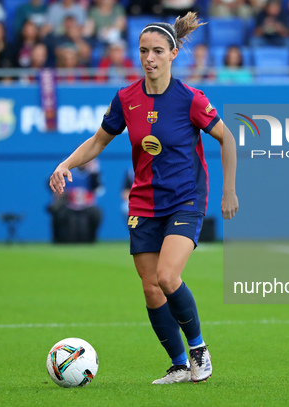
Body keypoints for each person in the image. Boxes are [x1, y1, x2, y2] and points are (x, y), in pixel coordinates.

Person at [49, 12, 238, 384]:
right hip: (144, 202)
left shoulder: (190, 99)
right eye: (143, 51)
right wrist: (66, 163)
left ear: (173, 53)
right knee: (151, 287)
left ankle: (199, 349)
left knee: (168, 276)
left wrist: (228, 190)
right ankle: (179, 364)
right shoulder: (126, 98)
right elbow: (99, 141)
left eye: (156, 51)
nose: (148, 58)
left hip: (185, 198)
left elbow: (227, 138)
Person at [48, 160, 102, 243]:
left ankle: (92, 239)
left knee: (97, 214)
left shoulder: (93, 172)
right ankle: (57, 239)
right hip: (67, 203)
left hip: (86, 205)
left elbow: (98, 189)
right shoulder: (65, 167)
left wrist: (94, 173)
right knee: (56, 213)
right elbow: (51, 183)